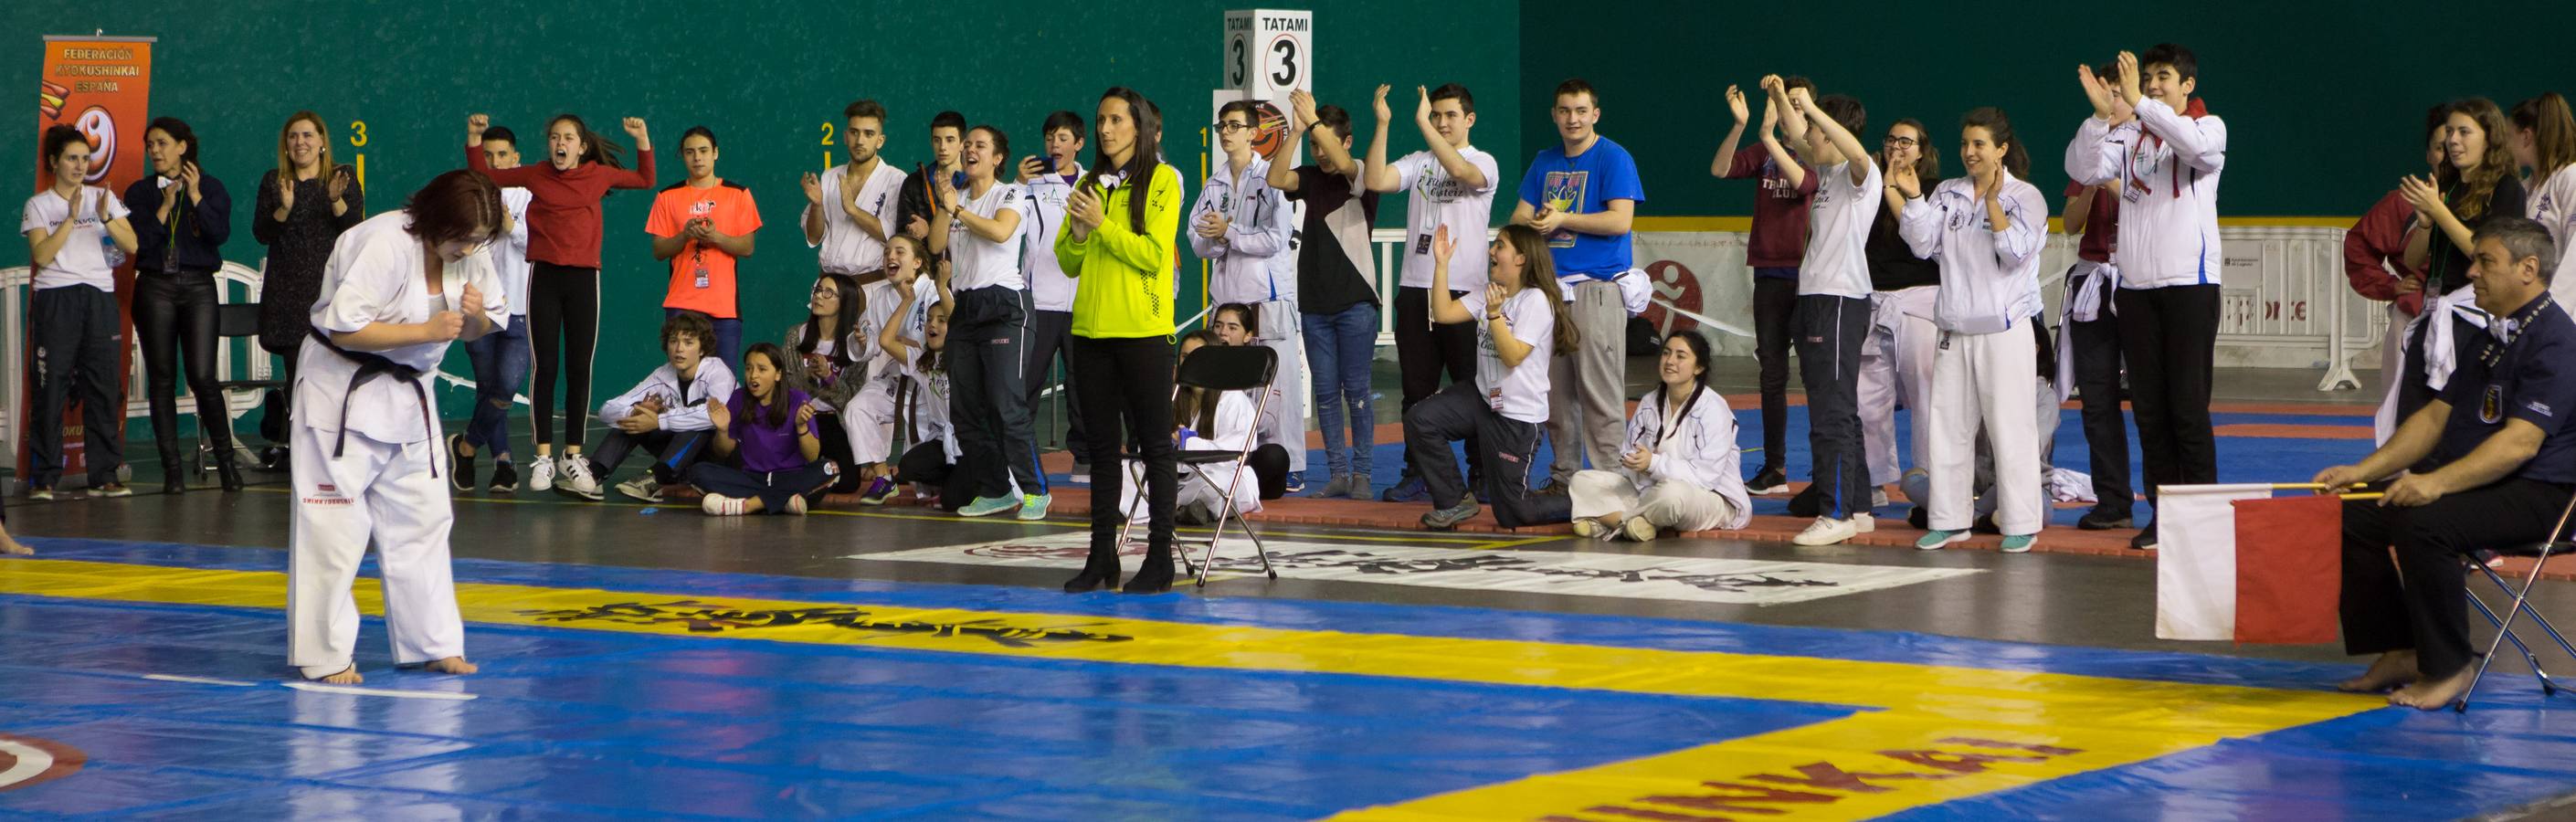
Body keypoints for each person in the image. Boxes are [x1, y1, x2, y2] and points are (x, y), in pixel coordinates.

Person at [2316, 217, 2571, 711]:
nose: (2471, 271)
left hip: (2544, 493)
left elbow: (2520, 444)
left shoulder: (2556, 341)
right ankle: (2403, 648)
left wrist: (2434, 483)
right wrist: (2362, 472)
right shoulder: (2493, 333)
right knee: (2352, 513)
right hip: (2493, 482)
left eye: (2485, 262)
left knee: (2423, 521)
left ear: (2528, 269)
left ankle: (2449, 665)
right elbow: (2434, 418)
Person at [287, 169, 502, 684]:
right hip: (341, 391)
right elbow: (344, 326)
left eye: (479, 240)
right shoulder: (382, 242)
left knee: (423, 523)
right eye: (464, 238)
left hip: (410, 397)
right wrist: (424, 330)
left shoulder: (471, 248)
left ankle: (434, 643)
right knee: (333, 531)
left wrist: (472, 319)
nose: (471, 248)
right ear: (434, 220)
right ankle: (324, 654)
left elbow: (488, 320)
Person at [2064, 46, 2226, 550]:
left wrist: (2139, 102)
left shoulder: (2208, 127)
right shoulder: (2131, 135)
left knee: (2188, 410)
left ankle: (2200, 518)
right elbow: (2085, 168)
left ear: (2188, 86)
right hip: (2136, 291)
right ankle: (2163, 514)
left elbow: (2194, 152)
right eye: (2148, 77)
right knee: (2151, 414)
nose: (2153, 85)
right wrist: (2098, 117)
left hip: (2190, 287)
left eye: (2163, 77)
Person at [466, 111, 655, 496]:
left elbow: (645, 178)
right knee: (545, 367)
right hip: (545, 278)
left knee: (579, 367)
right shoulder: (536, 174)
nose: (560, 143)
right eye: (554, 137)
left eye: (568, 137)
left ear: (582, 147)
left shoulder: (597, 176)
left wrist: (642, 139)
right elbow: (487, 176)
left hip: (584, 279)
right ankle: (544, 458)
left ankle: (572, 455)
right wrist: (473, 138)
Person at [1900, 107, 2048, 553]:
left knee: (2010, 426)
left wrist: (1994, 204)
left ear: (2001, 149)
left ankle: (2021, 521)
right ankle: (1949, 520)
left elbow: (2015, 255)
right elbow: (1923, 244)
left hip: (2004, 330)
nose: (1969, 152)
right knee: (1948, 428)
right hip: (1954, 327)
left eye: (1979, 144)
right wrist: (1911, 199)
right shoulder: (1947, 193)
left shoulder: (2028, 197)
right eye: (1965, 144)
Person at [1058, 87, 1186, 595]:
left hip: (1143, 333)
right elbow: (1067, 260)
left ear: (1139, 126)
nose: (1106, 129)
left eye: (1115, 119)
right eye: (1101, 119)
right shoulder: (1091, 182)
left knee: (1155, 446)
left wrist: (1101, 224)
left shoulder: (1162, 181)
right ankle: (1100, 557)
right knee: (1102, 452)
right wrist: (1081, 234)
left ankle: (1159, 558)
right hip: (1091, 333)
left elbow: (1152, 254)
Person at [1369, 83, 1499, 504]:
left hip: (1466, 292)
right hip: (1415, 290)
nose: (1442, 123)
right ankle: (1419, 472)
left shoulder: (1483, 162)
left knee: (1473, 386)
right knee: (1415, 390)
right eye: (1436, 115)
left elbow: (1461, 173)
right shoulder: (1419, 162)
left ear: (1470, 119)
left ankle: (1481, 472)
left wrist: (1422, 123)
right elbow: (1375, 179)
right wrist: (1383, 124)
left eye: (1450, 116)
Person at [1514, 78, 1643, 496]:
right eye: (1565, 111)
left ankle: (1612, 481)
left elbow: (1620, 221)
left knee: (1600, 392)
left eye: (1581, 111)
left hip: (1597, 289)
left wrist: (1562, 219)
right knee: (1555, 394)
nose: (1573, 119)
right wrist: (1533, 225)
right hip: (1549, 292)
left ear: (1595, 114)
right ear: (1554, 115)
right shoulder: (1544, 161)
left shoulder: (1614, 157)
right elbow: (1519, 216)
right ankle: (1564, 477)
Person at [1407, 224, 1578, 531]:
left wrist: (1495, 314)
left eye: (1500, 246)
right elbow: (1443, 313)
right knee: (1421, 419)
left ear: (1521, 259)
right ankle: (1454, 501)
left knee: (1514, 512)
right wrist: (1441, 265)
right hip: (1483, 399)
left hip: (1517, 416)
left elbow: (1513, 356)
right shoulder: (1491, 292)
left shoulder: (1536, 301)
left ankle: (1584, 502)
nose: (1491, 251)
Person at [1770, 80, 1882, 546]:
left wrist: (1812, 107)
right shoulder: (1826, 178)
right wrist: (1781, 98)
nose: (1808, 139)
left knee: (1830, 413)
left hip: (1839, 300)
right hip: (1816, 299)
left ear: (1831, 132)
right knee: (1839, 409)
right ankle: (1858, 507)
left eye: (1816, 130)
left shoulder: (1860, 177)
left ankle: (1834, 513)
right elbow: (1797, 137)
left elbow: (1855, 153)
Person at [929, 124, 1050, 520]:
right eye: (966, 146)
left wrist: (958, 208)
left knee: (1005, 404)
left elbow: (1000, 232)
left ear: (997, 158)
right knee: (964, 410)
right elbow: (933, 245)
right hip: (966, 307)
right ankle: (996, 489)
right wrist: (946, 204)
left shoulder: (1011, 192)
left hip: (1005, 307)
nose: (969, 151)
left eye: (979, 145)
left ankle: (1035, 491)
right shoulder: (956, 197)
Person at [1268, 90, 1380, 500]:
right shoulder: (1311, 179)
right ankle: (1337, 473)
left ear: (1346, 140)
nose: (1319, 152)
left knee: (1358, 391)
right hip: (1314, 303)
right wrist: (1297, 131)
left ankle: (1363, 474)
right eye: (1314, 146)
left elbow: (1347, 164)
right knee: (1327, 394)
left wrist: (1313, 121)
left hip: (1355, 303)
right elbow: (1276, 178)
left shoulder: (1362, 175)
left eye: (1324, 142)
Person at [123, 116, 244, 493]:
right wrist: (165, 206)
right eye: (150, 145)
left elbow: (218, 234)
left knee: (202, 376)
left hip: (197, 286)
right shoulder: (141, 192)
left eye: (161, 143)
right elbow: (140, 244)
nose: (154, 151)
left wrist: (194, 198)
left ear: (182, 146)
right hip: (155, 286)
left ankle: (226, 464)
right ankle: (172, 471)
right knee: (161, 379)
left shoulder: (210, 187)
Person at [1712, 78, 1820, 496]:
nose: (1786, 110)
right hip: (1771, 274)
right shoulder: (1764, 150)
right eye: (1778, 102)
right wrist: (1741, 126)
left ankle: (1822, 472)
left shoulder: (1819, 152)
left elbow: (1803, 184)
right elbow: (1720, 169)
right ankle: (1775, 468)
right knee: (1771, 373)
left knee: (1815, 375)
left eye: (1793, 104)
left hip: (1810, 276)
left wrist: (1771, 138)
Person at [1188, 100, 1301, 491]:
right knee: (1226, 384)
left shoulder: (1273, 178)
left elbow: (1276, 239)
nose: (1225, 132)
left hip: (1267, 298)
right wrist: (1218, 239)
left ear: (1255, 133)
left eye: (1235, 126)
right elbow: (1197, 242)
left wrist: (1229, 233)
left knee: (1277, 382)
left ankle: (1289, 467)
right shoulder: (1213, 183)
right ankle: (1225, 456)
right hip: (1227, 299)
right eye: (1222, 125)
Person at [21, 125, 137, 500]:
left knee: (104, 386)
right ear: (54, 162)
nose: (80, 165)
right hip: (56, 300)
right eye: (72, 158)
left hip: (99, 298)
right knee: (50, 386)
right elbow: (41, 255)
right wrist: (70, 218)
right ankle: (46, 477)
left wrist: (104, 218)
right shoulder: (39, 204)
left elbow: (132, 244)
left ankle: (104, 474)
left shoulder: (103, 198)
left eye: (85, 158)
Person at [254, 111, 364, 460]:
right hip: (287, 294)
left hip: (331, 292)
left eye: (307, 135)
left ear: (321, 142)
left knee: (336, 374)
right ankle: (301, 452)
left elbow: (353, 229)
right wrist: (284, 209)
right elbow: (262, 233)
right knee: (298, 378)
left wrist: (335, 199)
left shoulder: (341, 178)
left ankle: (336, 448)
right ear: (286, 145)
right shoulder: (275, 182)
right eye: (293, 137)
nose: (299, 142)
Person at [1570, 332, 1749, 541]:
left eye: (1680, 356)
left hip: (1707, 499)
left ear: (1698, 367)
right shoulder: (1649, 402)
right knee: (1582, 480)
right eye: (1666, 353)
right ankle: (1638, 525)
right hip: (1650, 491)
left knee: (1672, 496)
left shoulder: (1713, 409)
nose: (1670, 361)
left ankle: (1612, 521)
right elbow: (1628, 453)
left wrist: (1653, 464)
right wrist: (1635, 461)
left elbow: (1706, 477)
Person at [2058, 65, 2135, 529]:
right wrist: (2090, 179)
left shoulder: (2151, 143)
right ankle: (2113, 500)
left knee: (2148, 400)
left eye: (2116, 96)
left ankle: (2170, 504)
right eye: (2102, 96)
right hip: (2093, 283)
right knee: (2098, 399)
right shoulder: (2089, 146)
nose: (2109, 105)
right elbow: (2069, 223)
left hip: (2140, 281)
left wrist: (2108, 174)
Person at [2346, 108, 2447, 442]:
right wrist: (2391, 285)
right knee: (2399, 406)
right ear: (2428, 153)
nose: (2450, 151)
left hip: (2472, 319)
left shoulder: (2492, 199)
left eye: (2461, 138)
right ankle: (2394, 477)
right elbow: (2359, 247)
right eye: (2440, 146)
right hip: (2414, 316)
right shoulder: (2402, 204)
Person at [1862, 118, 1944, 525]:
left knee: (1925, 393)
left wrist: (1894, 184)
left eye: (1906, 141)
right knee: (1867, 398)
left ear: (1922, 150)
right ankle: (1873, 480)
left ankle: (1929, 482)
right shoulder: (1868, 186)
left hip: (1920, 298)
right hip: (1873, 297)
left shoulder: (1932, 191)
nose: (1897, 146)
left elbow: (1920, 241)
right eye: (1891, 138)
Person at [1116, 331, 1274, 526]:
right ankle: (1178, 508)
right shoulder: (1170, 396)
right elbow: (1147, 446)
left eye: (1198, 356)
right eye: (1185, 357)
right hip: (1170, 477)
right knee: (1122, 469)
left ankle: (1175, 507)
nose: (1191, 362)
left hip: (1213, 473)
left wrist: (1187, 441)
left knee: (1217, 483)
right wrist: (1165, 441)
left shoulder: (1233, 399)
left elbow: (1237, 451)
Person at [451, 125, 534, 493]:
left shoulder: (534, 194)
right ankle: (503, 463)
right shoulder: (471, 196)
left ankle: (466, 446)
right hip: (479, 307)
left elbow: (539, 245)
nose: (496, 162)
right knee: (487, 387)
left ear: (516, 158)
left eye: (503, 155)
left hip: (519, 310)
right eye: (488, 155)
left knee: (505, 386)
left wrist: (511, 227)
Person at [578, 311, 735, 503]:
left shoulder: (717, 371)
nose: (679, 349)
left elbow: (713, 416)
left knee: (698, 414)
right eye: (673, 341)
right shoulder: (663, 374)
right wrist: (635, 412)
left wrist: (659, 421)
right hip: (684, 458)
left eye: (688, 342)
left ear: (702, 349)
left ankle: (656, 479)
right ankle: (593, 474)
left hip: (722, 458)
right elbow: (608, 409)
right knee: (635, 419)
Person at [1019, 111, 1093, 478]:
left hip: (1083, 300)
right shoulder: (1030, 184)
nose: (1054, 145)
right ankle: (1020, 458)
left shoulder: (1095, 185)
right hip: (1040, 301)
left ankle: (1084, 456)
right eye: (1050, 138)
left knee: (1083, 383)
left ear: (1078, 144)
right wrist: (1017, 184)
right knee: (1027, 382)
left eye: (1063, 138)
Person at [647, 126, 758, 366]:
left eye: (703, 151)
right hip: (681, 304)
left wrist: (715, 237)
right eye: (690, 152)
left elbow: (747, 247)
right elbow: (658, 250)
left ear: (715, 153)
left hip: (724, 306)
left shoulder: (738, 194)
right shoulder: (667, 196)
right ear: (683, 156)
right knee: (683, 381)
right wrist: (684, 235)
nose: (697, 157)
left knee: (722, 383)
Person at [691, 343, 834, 516]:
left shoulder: (798, 399)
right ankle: (785, 501)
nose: (753, 376)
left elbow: (812, 457)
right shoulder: (738, 399)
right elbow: (722, 453)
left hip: (791, 476)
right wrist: (722, 430)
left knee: (829, 468)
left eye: (762, 369)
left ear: (778, 374)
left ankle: (750, 505)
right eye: (749, 369)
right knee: (698, 472)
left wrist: (801, 426)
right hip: (752, 479)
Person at [853, 237, 944, 504]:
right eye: (887, 252)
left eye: (899, 252)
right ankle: (882, 477)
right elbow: (871, 344)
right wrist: (861, 340)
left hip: (928, 384)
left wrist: (904, 343)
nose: (891, 256)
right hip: (896, 377)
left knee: (922, 482)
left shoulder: (933, 292)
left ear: (917, 262)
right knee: (858, 408)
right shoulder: (881, 296)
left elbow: (937, 341)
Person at [785, 272, 873, 494]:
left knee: (848, 483)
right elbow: (786, 386)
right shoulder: (796, 336)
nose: (818, 297)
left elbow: (852, 399)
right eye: (817, 290)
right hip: (801, 418)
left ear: (845, 302)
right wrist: (808, 376)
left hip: (835, 420)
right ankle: (813, 477)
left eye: (828, 293)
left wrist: (829, 377)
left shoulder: (856, 345)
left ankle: (809, 479)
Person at [881, 286, 964, 511]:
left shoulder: (965, 358)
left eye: (941, 320)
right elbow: (885, 341)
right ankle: (952, 481)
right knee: (908, 466)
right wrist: (907, 301)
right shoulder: (922, 361)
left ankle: (968, 482)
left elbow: (961, 323)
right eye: (928, 320)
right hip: (942, 441)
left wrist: (942, 283)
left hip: (970, 443)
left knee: (953, 502)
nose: (932, 325)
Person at [803, 100, 905, 280]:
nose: (859, 141)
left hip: (873, 286)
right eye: (854, 132)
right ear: (845, 136)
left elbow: (892, 236)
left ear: (880, 141)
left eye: (869, 134)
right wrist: (817, 206)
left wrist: (853, 210)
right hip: (829, 286)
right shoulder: (829, 176)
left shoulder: (896, 180)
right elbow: (813, 236)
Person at [1207, 303, 1297, 499]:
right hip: (1209, 453)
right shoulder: (1202, 365)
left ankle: (1233, 491)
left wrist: (1235, 389)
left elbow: (1267, 425)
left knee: (1275, 457)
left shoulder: (1263, 366)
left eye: (1232, 328)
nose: (1223, 333)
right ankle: (1219, 494)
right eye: (1218, 326)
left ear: (1248, 335)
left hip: (1246, 456)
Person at [2511, 94, 2576, 303]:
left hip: (2562, 307)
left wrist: (2554, 311)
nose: (2505, 145)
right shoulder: (2523, 187)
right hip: (2529, 303)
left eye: (2508, 136)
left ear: (2526, 137)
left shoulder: (2570, 177)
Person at [896, 111, 967, 245]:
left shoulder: (974, 182)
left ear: (962, 144)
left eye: (950, 140)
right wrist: (916, 234)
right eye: (937, 140)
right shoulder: (914, 183)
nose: (942, 147)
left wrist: (931, 232)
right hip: (928, 264)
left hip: (967, 264)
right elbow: (902, 240)